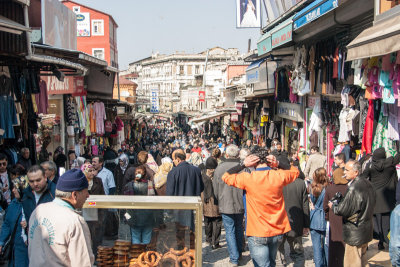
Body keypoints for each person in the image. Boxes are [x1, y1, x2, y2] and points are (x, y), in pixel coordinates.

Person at [221, 148, 300, 267]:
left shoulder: (248, 178)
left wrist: (242, 165)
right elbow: (295, 171)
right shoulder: (278, 175)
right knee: (271, 263)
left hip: (257, 230)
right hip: (276, 229)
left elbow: (226, 176)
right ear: (268, 160)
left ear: (253, 162)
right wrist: (278, 163)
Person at [28, 169, 94, 266]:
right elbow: (83, 263)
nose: (88, 196)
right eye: (86, 191)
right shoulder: (75, 221)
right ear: (74, 195)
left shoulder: (38, 211)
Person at [330, 160, 375, 267]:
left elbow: (342, 209)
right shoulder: (368, 184)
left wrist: (333, 206)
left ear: (356, 172)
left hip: (355, 231)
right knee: (363, 260)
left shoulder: (354, 187)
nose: (344, 172)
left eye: (347, 170)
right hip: (365, 229)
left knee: (352, 262)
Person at [360, 147, 399, 250]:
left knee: (375, 224)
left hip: (374, 199)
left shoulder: (370, 166)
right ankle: (386, 243)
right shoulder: (390, 163)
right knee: (386, 225)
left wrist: (363, 159)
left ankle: (378, 241)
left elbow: (362, 178)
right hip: (387, 200)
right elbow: (398, 157)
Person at [213, 145, 244, 266]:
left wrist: (218, 200)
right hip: (240, 202)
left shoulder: (220, 168)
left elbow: (215, 189)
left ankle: (234, 257)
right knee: (239, 227)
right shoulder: (243, 168)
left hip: (225, 203)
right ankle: (239, 252)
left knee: (230, 230)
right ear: (237, 155)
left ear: (226, 155)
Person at [166, 149, 204, 248]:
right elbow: (201, 188)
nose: (173, 161)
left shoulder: (173, 173)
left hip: (177, 210)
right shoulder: (196, 170)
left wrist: (168, 211)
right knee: (191, 235)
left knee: (178, 236)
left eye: (173, 159)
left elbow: (169, 194)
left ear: (178, 159)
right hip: (193, 209)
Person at [278, 160, 310, 267]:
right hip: (296, 222)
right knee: (298, 251)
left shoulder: (277, 182)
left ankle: (281, 263)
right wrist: (306, 224)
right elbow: (305, 206)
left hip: (279, 221)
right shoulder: (300, 183)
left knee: (278, 250)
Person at [323, 165, 348, 267]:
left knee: (333, 247)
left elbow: (325, 206)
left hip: (333, 220)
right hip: (345, 220)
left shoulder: (329, 189)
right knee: (344, 245)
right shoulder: (348, 188)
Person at [123, 166, 155, 244]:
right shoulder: (150, 185)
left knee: (135, 239)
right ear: (145, 175)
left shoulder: (129, 185)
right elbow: (153, 200)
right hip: (148, 216)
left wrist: (126, 217)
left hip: (133, 216)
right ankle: (145, 255)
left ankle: (136, 255)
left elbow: (126, 203)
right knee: (146, 240)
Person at [0, 184, 29, 266]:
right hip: (14, 248)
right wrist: (1, 242)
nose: (13, 190)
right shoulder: (13, 204)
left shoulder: (31, 204)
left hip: (26, 250)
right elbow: (7, 224)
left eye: (15, 188)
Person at [81, 163, 105, 256]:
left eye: (93, 170)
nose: (92, 173)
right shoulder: (81, 182)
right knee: (86, 235)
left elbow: (103, 196)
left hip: (96, 212)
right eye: (89, 171)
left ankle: (96, 255)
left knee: (96, 236)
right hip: (85, 211)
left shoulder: (98, 181)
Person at [309, 168, 329, 267]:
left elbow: (312, 202)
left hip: (314, 217)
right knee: (327, 245)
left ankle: (318, 265)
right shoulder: (328, 188)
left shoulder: (312, 187)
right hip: (325, 218)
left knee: (316, 248)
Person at [201, 157, 222, 250]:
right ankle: (215, 242)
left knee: (207, 221)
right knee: (217, 221)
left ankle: (208, 239)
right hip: (215, 200)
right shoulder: (217, 175)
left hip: (205, 200)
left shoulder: (202, 175)